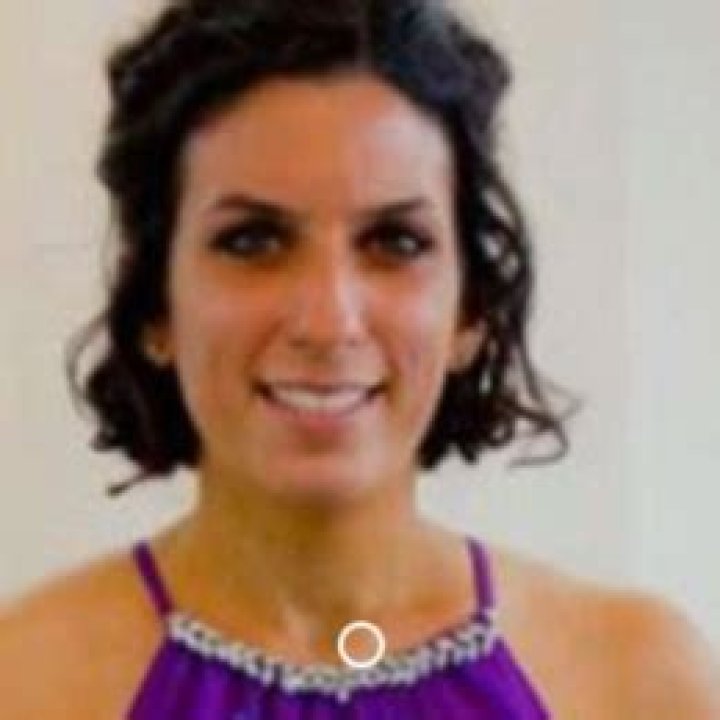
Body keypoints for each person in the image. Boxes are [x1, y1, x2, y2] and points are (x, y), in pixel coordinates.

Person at [2, 0, 719, 717]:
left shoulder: (637, 682)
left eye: (395, 242)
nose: (329, 321)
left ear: (470, 308)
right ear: (154, 304)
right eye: (253, 240)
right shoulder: (27, 683)